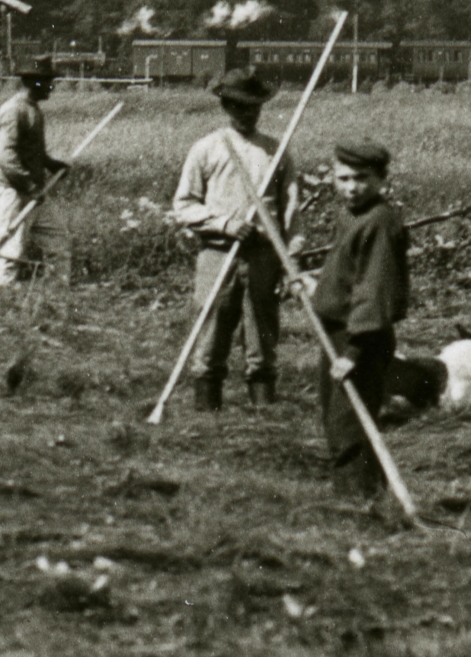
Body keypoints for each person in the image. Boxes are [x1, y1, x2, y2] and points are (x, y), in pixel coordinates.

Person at [173, 68, 299, 410]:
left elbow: (291, 211)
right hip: (217, 254)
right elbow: (184, 206)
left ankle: (264, 413)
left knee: (262, 339)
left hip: (263, 257)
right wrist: (226, 224)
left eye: (255, 106)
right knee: (211, 334)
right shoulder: (207, 149)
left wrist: (291, 261)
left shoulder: (275, 151)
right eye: (241, 106)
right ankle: (207, 413)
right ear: (226, 106)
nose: (249, 113)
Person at [305, 141, 409, 497]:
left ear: (382, 179)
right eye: (343, 178)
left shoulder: (379, 222)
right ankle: (360, 492)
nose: (351, 188)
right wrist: (314, 284)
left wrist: (354, 352)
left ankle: (358, 503)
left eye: (361, 178)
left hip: (361, 338)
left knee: (349, 424)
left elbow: (374, 292)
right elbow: (348, 272)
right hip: (336, 331)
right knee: (336, 419)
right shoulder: (350, 215)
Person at [0, 56, 69, 288]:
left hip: (32, 192)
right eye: (48, 81)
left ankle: (57, 293)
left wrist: (52, 165)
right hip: (14, 192)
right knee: (10, 250)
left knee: (58, 241)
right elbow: (7, 158)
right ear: (34, 83)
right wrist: (30, 187)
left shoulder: (33, 110)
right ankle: (0, 299)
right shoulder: (14, 111)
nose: (52, 86)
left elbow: (33, 154)